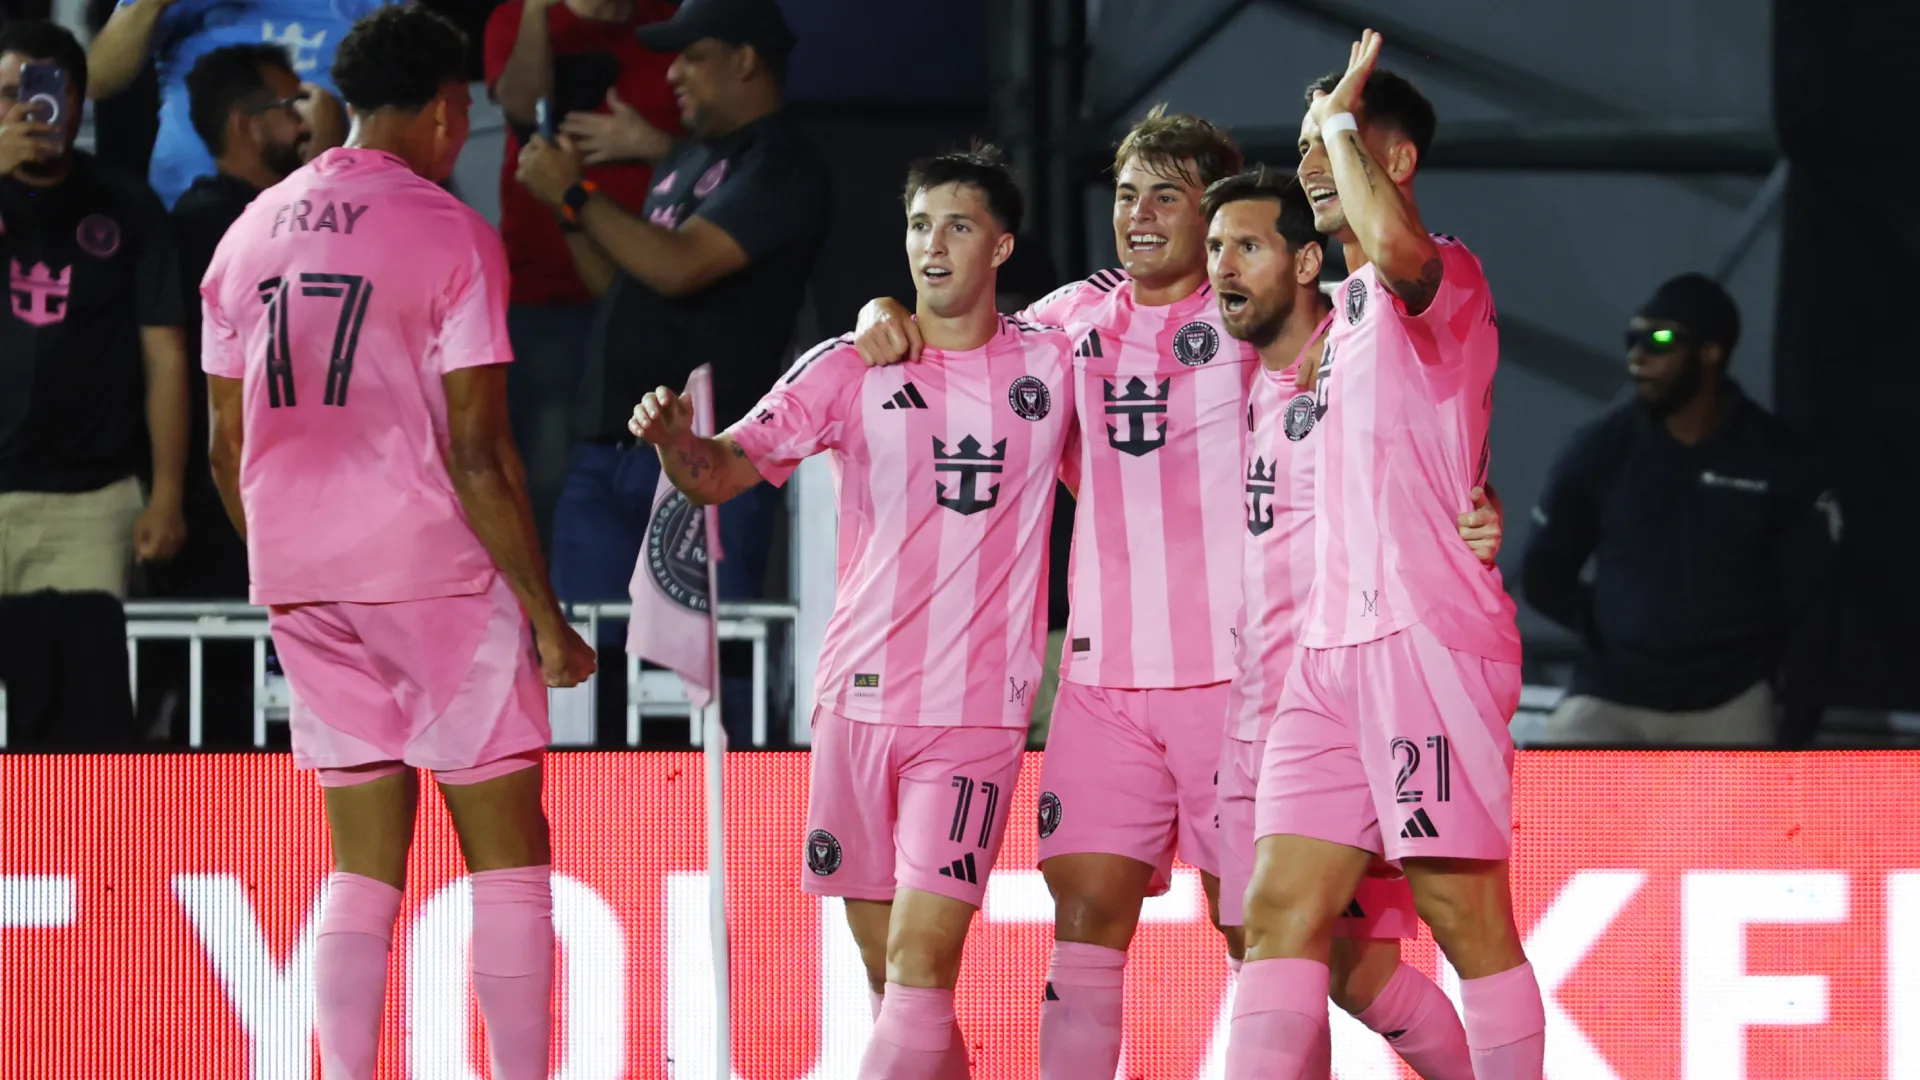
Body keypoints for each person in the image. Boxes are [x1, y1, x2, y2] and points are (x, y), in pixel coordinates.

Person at [852, 110, 1503, 1077]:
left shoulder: (1264, 316)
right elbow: (967, 346)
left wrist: (1472, 500)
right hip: (1103, 685)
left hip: (1244, 688)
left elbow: (1409, 399)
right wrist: (881, 314)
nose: (1140, 216)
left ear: (1214, 219)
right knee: (1083, 924)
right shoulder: (1070, 321)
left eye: (1168, 196)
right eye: (1125, 195)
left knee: (1316, 958)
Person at [198, 9, 596, 1078]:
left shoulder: (248, 233)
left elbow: (225, 439)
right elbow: (481, 449)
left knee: (361, 865)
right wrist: (547, 617)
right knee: (508, 854)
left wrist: (287, 556)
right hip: (436, 576)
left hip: (300, 576)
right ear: (441, 111)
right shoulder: (452, 232)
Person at [629, 146, 1072, 1080]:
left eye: (958, 226)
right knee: (893, 985)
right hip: (855, 705)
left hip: (974, 716)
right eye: (919, 225)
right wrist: (677, 444)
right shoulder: (846, 366)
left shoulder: (1053, 362)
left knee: (919, 969)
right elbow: (719, 473)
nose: (933, 245)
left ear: (1001, 245)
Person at [1228, 34, 1544, 1079]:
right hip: (1328, 657)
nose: (1311, 161)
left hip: (1427, 640)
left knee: (1466, 913)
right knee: (1276, 913)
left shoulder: (1446, 274)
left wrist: (1337, 122)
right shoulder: (1340, 320)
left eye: (1338, 139)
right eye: (1309, 138)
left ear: (1393, 163)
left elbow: (1401, 257)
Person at [515, 0, 830, 741]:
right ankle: (592, 835)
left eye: (691, 54)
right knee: (586, 666)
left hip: (706, 461)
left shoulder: (783, 162)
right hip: (606, 453)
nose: (672, 70)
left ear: (746, 60)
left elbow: (680, 267)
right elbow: (622, 282)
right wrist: (571, 212)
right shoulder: (686, 159)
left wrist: (573, 190)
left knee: (704, 673)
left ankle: (728, 839)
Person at [1521, 272, 1838, 746]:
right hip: (1610, 696)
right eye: (1633, 339)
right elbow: (1543, 574)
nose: (1638, 355)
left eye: (1660, 339)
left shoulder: (1782, 461)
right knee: (1556, 805)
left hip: (1728, 701)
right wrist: (1618, 626)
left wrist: (1796, 725)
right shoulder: (1598, 450)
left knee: (1747, 815)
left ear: (1712, 352)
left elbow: (1815, 606)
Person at [0, 21, 188, 743]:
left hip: (90, 502)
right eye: (11, 94)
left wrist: (166, 493)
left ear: (80, 100)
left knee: (78, 719)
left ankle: (75, 853)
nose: (32, 109)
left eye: (49, 92)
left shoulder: (128, 204)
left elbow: (166, 354)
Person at [482, 0, 682, 549]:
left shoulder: (671, 20)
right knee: (547, 481)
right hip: (549, 297)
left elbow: (725, 152)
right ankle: (552, 630)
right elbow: (524, 108)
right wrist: (538, 13)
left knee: (659, 483)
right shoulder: (519, 17)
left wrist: (650, 145)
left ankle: (647, 634)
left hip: (658, 296)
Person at [85, 0, 384, 207]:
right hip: (186, 215)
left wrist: (336, 152)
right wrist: (152, 4)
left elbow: (411, 106)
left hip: (319, 218)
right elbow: (98, 81)